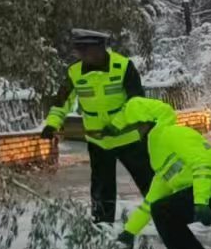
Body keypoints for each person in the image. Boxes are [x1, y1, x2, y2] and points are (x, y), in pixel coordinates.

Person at [109, 96, 211, 249]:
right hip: (210, 193)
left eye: (136, 126)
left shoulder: (173, 134)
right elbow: (152, 199)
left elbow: (202, 164)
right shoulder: (161, 155)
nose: (136, 133)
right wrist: (129, 231)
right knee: (162, 209)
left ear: (149, 122)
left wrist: (201, 202)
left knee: (164, 211)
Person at [42, 29, 152, 224]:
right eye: (79, 51)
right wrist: (52, 124)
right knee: (102, 187)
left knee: (148, 181)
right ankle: (102, 225)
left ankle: (166, 216)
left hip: (129, 138)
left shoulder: (123, 66)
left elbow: (137, 102)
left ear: (100, 48)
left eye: (85, 50)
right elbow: (62, 102)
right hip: (98, 141)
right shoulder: (74, 72)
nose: (81, 55)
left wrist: (117, 125)